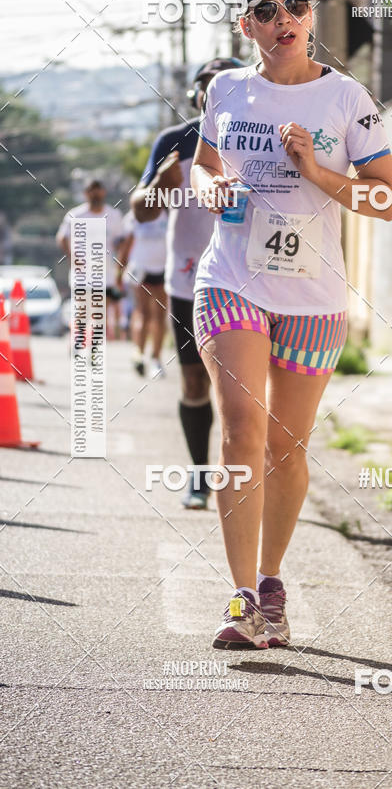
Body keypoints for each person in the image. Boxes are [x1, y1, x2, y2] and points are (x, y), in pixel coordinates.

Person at [190, 0, 392, 649]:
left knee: (286, 446)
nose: (286, 21)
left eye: (297, 7)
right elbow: (203, 160)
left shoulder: (347, 99)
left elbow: (388, 200)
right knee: (244, 429)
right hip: (232, 281)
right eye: (269, 10)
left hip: (313, 296)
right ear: (245, 24)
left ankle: (273, 583)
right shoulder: (225, 90)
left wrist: (316, 170)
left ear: (312, 15)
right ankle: (243, 597)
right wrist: (209, 185)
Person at [130, 58, 245, 509]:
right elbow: (142, 210)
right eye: (206, 85)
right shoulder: (174, 141)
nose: (214, 92)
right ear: (198, 95)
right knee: (195, 382)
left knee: (248, 389)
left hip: (248, 280)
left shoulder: (257, 135)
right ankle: (199, 477)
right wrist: (158, 183)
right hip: (188, 283)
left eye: (225, 83)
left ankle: (253, 477)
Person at [56, 179, 125, 340]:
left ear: (104, 192)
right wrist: (72, 258)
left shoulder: (114, 215)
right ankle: (78, 342)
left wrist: (120, 264)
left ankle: (95, 349)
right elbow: (62, 237)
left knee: (100, 313)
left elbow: (122, 240)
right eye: (91, 191)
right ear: (86, 194)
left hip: (104, 274)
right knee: (81, 312)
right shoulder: (75, 215)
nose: (95, 194)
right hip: (81, 275)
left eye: (98, 190)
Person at [118, 209, 168, 379]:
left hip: (163, 269)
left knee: (160, 316)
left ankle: (156, 359)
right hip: (141, 270)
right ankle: (138, 353)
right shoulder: (135, 214)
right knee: (143, 312)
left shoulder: (169, 212)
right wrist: (120, 270)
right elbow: (126, 244)